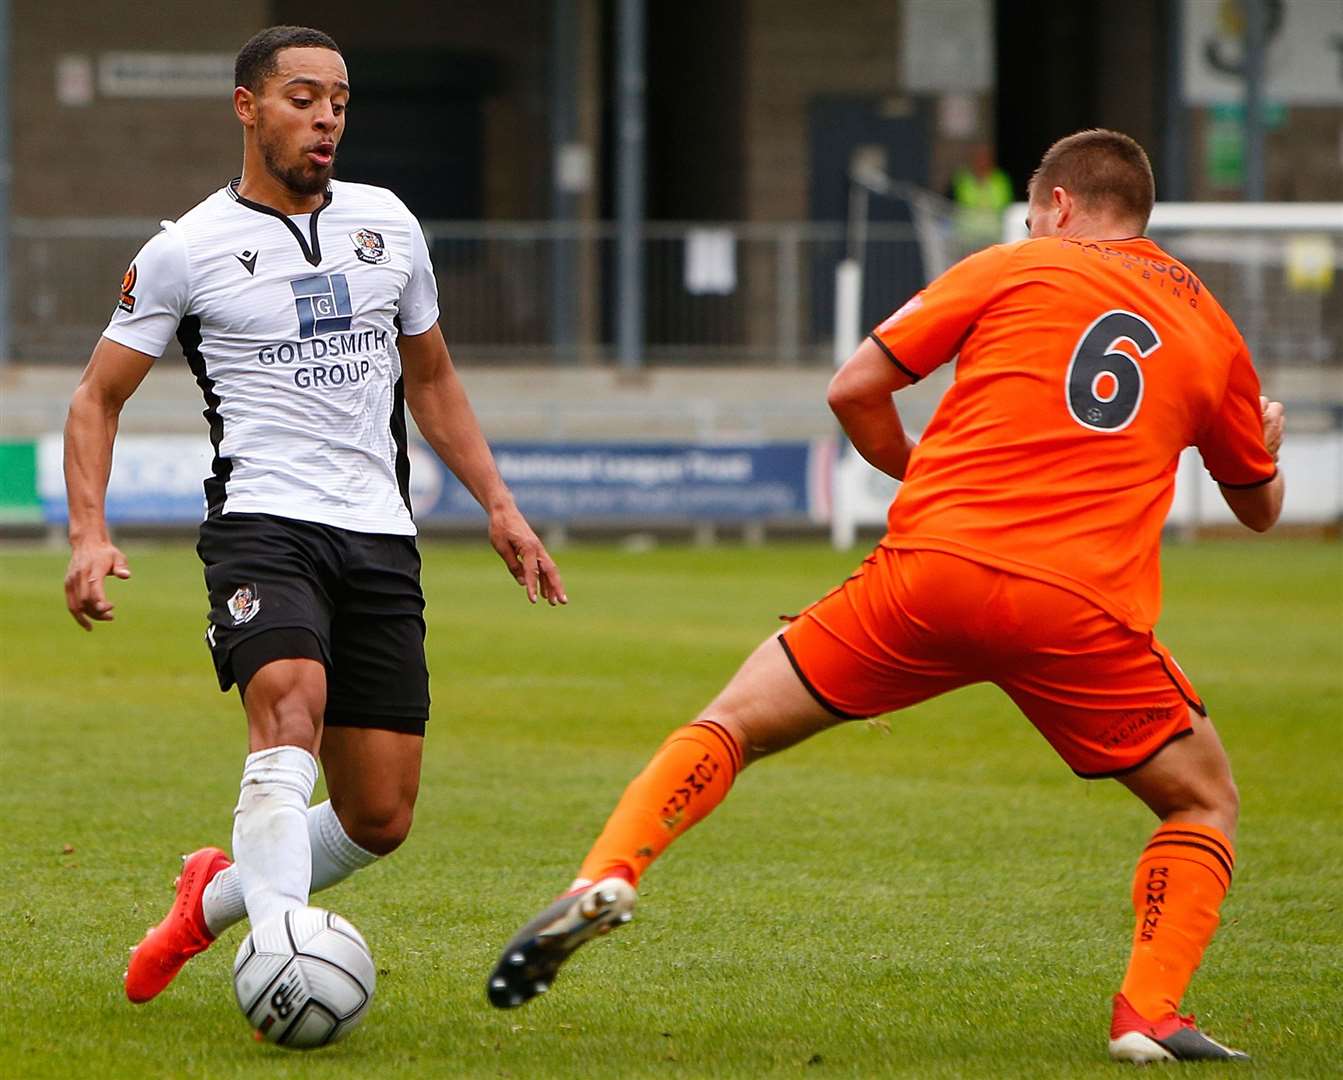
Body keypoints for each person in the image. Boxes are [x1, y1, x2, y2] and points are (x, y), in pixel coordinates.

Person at [487, 129, 1284, 1064]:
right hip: (1080, 608)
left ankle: (607, 874)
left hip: (931, 570)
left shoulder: (1014, 265)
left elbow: (853, 387)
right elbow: (1257, 507)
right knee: (1200, 803)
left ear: (1059, 206)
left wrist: (925, 481)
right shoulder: (1213, 328)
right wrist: (1262, 442)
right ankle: (1147, 1016)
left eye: (1033, 208)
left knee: (734, 722)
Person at [62, 25, 566, 1005]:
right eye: (301, 97)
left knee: (378, 815)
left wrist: (500, 508)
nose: (325, 115)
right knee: (287, 705)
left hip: (379, 534)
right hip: (262, 525)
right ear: (246, 108)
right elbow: (95, 397)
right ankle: (282, 958)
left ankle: (209, 907)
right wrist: (89, 533)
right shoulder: (185, 250)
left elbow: (433, 376)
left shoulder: (388, 224)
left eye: (337, 99)